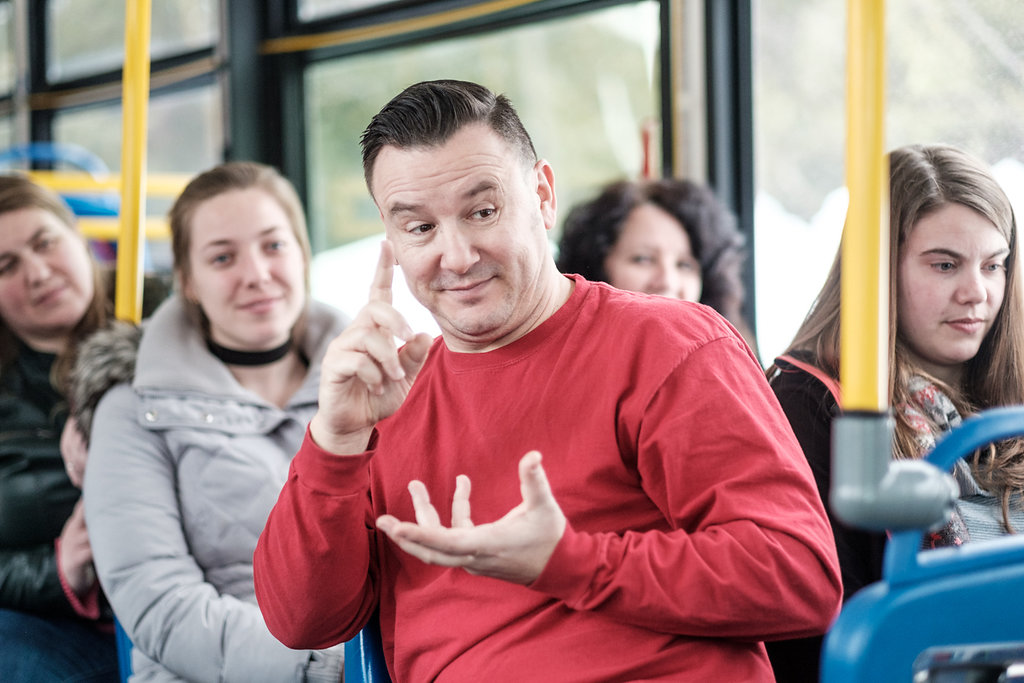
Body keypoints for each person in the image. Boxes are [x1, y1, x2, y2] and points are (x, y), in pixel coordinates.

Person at [253, 79, 842, 682]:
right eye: (420, 228)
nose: (455, 257)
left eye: (483, 212)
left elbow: (799, 576)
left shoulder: (668, 344)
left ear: (543, 196)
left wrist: (569, 561)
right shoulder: (383, 398)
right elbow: (303, 623)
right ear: (391, 239)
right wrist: (335, 439)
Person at [75, 162, 348, 682]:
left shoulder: (380, 380)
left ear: (303, 255)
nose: (257, 275)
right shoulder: (132, 410)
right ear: (188, 282)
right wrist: (324, 667)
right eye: (223, 257)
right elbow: (158, 602)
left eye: (273, 246)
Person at [764, 143, 1024, 681]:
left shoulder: (1009, 389)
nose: (977, 292)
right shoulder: (814, 402)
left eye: (994, 266)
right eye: (945, 265)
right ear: (876, 269)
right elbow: (822, 611)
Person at [0, 174, 119, 681]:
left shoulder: (170, 317)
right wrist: (58, 569)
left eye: (45, 243)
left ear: (77, 237)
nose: (38, 273)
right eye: (7, 265)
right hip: (61, 627)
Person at [556, 177, 756, 349]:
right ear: (596, 268)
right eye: (643, 259)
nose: (667, 281)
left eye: (684, 265)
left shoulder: (729, 363)